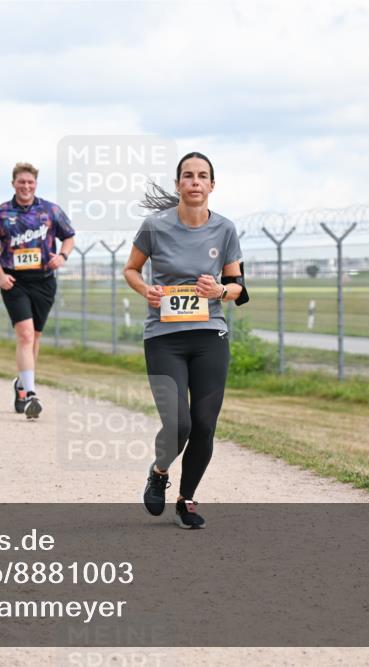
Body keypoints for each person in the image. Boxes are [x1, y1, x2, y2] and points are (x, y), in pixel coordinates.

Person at [123, 152, 248, 530]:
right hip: (164, 338)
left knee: (205, 424)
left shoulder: (225, 229)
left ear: (212, 185)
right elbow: (130, 269)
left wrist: (218, 291)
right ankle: (160, 471)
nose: (195, 182)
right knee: (179, 423)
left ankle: (187, 500)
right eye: (188, 176)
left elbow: (240, 289)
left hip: (210, 335)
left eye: (202, 176)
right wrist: (146, 289)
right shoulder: (154, 227)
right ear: (178, 184)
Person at [0, 162, 75, 419]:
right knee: (24, 335)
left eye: (30, 182)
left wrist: (63, 256)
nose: (26, 186)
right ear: (13, 183)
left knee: (34, 337)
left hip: (44, 280)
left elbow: (69, 236)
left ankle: (21, 383)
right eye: (21, 182)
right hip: (15, 281)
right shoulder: (0, 214)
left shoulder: (50, 210)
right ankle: (32, 394)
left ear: (36, 184)